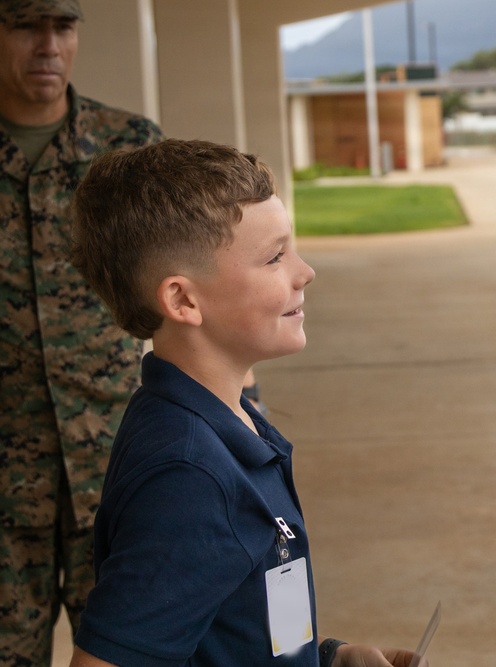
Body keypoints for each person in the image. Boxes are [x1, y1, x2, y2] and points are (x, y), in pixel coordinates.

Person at [67, 139, 425, 667]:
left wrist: (328, 658)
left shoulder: (230, 425)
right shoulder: (188, 475)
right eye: (274, 256)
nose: (305, 272)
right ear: (184, 300)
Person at [0, 1, 162, 663]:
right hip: (6, 478)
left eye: (63, 27)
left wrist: (241, 397)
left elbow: (187, 285)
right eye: (23, 24)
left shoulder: (130, 148)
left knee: (131, 651)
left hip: (114, 464)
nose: (48, 45)